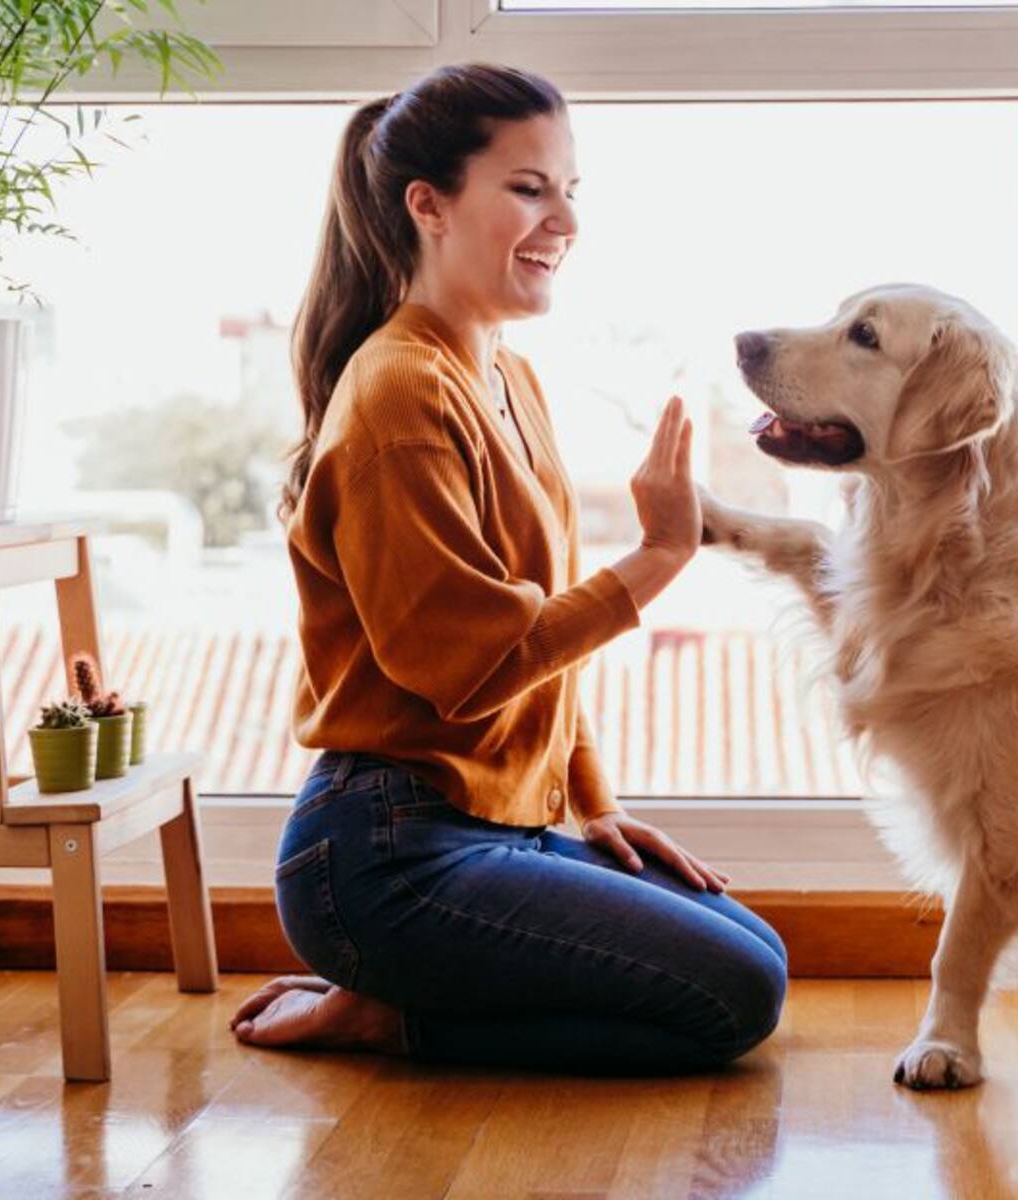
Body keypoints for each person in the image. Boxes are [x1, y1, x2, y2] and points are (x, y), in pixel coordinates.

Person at [230, 62, 786, 1074]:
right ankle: (384, 1015)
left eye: (571, 191)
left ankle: (399, 996)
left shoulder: (505, 374)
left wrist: (593, 800)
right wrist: (661, 555)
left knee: (757, 951)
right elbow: (471, 667)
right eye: (529, 189)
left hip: (496, 822)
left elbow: (538, 652)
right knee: (737, 998)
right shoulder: (398, 394)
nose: (562, 220)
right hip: (385, 852)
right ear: (428, 206)